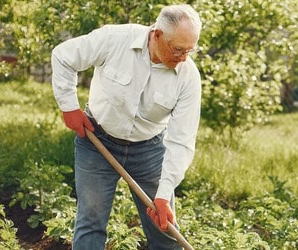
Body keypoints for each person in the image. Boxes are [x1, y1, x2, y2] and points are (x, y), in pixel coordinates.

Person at [51, 4, 202, 249]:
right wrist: (69, 107)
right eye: (178, 49)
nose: (184, 57)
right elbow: (63, 56)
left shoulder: (188, 77)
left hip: (150, 151)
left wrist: (164, 193)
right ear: (157, 35)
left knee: (164, 229)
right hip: (97, 142)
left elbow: (181, 140)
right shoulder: (115, 39)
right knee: (90, 222)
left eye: (189, 50)